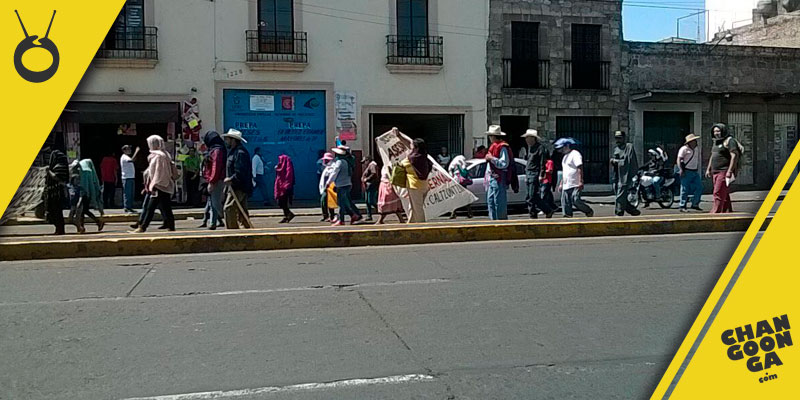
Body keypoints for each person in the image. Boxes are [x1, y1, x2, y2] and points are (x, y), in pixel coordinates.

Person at [132, 135, 176, 233]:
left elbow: (159, 172)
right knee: (166, 207)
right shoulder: (163, 154)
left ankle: (143, 227)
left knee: (150, 207)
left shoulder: (159, 156)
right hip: (164, 185)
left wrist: (154, 184)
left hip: (159, 185)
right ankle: (171, 226)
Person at [222, 129, 253, 229]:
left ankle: (233, 233)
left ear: (233, 140)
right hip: (234, 186)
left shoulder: (240, 153)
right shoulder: (233, 152)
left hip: (238, 187)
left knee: (229, 208)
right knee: (242, 212)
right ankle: (248, 232)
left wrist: (231, 179)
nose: (226, 141)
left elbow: (240, 172)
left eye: (227, 139)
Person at [706, 123, 740, 213]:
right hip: (715, 171)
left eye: (718, 131)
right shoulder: (716, 142)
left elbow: (734, 155)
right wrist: (708, 169)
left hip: (724, 171)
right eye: (714, 131)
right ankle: (727, 211)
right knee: (724, 192)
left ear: (723, 131)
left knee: (718, 192)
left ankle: (715, 212)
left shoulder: (730, 141)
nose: (716, 133)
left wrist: (730, 171)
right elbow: (712, 156)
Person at [484, 125, 516, 220]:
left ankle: (501, 222)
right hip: (493, 177)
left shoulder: (502, 147)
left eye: (490, 136)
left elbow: (504, 164)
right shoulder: (494, 147)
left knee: (499, 202)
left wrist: (492, 159)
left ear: (494, 136)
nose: (489, 138)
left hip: (499, 178)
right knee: (491, 201)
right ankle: (493, 221)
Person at [555, 138, 594, 218]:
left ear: (567, 146)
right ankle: (567, 217)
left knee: (575, 200)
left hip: (575, 183)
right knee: (565, 203)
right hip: (566, 184)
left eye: (561, 148)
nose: (560, 150)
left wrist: (580, 181)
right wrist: (561, 183)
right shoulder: (565, 157)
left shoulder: (575, 154)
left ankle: (588, 210)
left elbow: (579, 167)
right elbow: (565, 171)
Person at [522, 129, 554, 219]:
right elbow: (529, 162)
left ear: (533, 138)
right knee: (530, 196)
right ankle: (547, 210)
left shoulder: (540, 148)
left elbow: (542, 162)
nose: (526, 140)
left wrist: (541, 174)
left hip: (534, 173)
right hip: (529, 173)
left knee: (532, 196)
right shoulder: (530, 148)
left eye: (528, 138)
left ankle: (533, 214)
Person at [400, 138, 433, 223]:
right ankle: (410, 224)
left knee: (418, 209)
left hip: (414, 186)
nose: (410, 146)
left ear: (416, 147)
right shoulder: (424, 156)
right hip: (424, 185)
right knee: (413, 207)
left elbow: (401, 164)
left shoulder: (412, 158)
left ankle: (421, 226)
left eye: (412, 145)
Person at [327, 147, 362, 226]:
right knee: (346, 202)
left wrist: (328, 182)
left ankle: (341, 220)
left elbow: (334, 173)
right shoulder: (347, 161)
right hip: (347, 184)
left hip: (341, 185)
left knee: (341, 203)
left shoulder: (339, 162)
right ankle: (353, 215)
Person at [610, 131, 641, 216]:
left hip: (625, 176)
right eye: (616, 138)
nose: (618, 140)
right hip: (617, 176)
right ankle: (631, 210)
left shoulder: (629, 147)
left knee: (620, 194)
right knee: (619, 194)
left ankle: (619, 212)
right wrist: (613, 161)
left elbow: (627, 161)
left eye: (619, 138)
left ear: (624, 138)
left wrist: (616, 161)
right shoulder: (616, 149)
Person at [70, 159, 105, 233]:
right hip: (85, 193)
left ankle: (82, 227)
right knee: (83, 211)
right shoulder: (88, 171)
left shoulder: (82, 171)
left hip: (82, 194)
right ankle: (85, 225)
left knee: (83, 211)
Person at [202, 131, 227, 230]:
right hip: (213, 179)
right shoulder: (213, 150)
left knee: (215, 202)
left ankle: (227, 217)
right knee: (212, 202)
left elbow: (216, 167)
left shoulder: (217, 151)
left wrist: (212, 182)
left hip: (217, 180)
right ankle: (213, 222)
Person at [43, 150, 69, 235]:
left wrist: (49, 171)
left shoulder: (59, 167)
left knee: (56, 212)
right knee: (54, 211)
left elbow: (56, 177)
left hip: (56, 193)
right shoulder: (59, 166)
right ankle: (58, 228)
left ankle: (60, 229)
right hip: (54, 192)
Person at [678, 133, 704, 212]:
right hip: (686, 170)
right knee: (684, 188)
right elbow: (679, 159)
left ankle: (695, 203)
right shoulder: (684, 149)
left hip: (694, 171)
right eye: (693, 141)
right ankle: (682, 205)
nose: (695, 142)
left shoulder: (696, 149)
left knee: (699, 187)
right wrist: (681, 169)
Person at [447, 155, 473, 219]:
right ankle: (469, 212)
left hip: (455, 182)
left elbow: (450, 172)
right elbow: (464, 172)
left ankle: (453, 213)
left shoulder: (452, 165)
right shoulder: (462, 163)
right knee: (465, 198)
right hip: (462, 183)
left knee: (455, 198)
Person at [274, 154, 296, 223]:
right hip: (280, 187)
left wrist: (287, 186)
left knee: (283, 202)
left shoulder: (287, 168)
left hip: (285, 188)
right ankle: (287, 215)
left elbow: (288, 176)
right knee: (281, 202)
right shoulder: (280, 167)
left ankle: (287, 215)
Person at [120, 145, 140, 213]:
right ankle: (127, 207)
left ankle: (130, 207)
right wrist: (136, 152)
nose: (130, 150)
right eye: (128, 149)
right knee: (127, 193)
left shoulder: (127, 157)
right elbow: (131, 160)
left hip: (131, 177)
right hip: (127, 177)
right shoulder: (124, 157)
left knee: (131, 193)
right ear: (124, 150)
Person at [318, 152, 336, 222]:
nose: (324, 161)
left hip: (330, 187)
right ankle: (326, 216)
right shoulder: (326, 168)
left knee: (329, 201)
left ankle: (331, 216)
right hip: (325, 187)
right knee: (324, 201)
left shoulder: (333, 167)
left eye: (326, 160)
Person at [361, 155, 380, 221]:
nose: (364, 164)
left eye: (365, 162)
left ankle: (380, 210)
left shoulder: (372, 165)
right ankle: (369, 215)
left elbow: (374, 173)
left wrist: (367, 179)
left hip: (371, 185)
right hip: (368, 185)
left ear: (368, 160)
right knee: (367, 201)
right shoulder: (370, 165)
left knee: (370, 201)